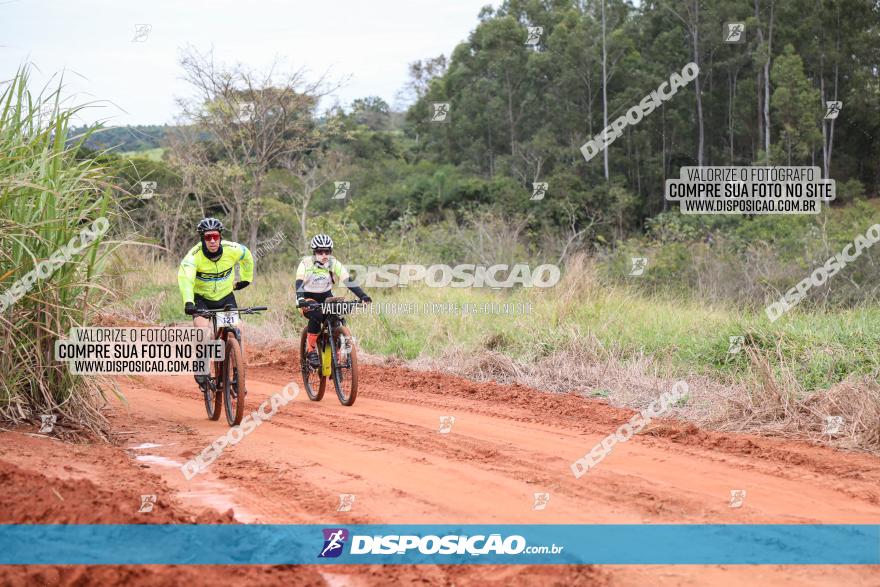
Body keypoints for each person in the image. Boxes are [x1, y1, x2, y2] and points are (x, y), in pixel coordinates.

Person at [178, 218, 254, 390]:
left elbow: (247, 255)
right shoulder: (193, 257)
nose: (212, 240)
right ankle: (201, 365)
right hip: (202, 299)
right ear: (202, 238)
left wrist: (246, 278)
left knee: (237, 330)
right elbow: (186, 280)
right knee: (205, 332)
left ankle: (237, 376)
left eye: (215, 236)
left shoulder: (232, 249)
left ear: (220, 237)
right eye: (208, 237)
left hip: (225, 297)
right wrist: (189, 302)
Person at [295, 234, 371, 368]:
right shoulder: (305, 263)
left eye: (327, 251)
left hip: (326, 297)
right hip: (307, 298)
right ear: (314, 252)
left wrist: (363, 296)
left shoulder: (333, 263)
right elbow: (299, 282)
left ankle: (335, 354)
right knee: (316, 314)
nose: (324, 255)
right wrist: (301, 298)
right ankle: (311, 351)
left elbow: (348, 281)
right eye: (320, 252)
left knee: (337, 315)